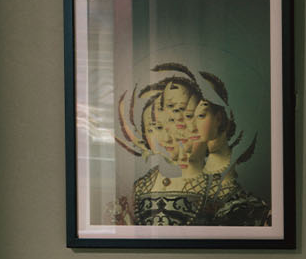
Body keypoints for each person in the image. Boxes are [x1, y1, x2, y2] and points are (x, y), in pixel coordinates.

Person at [113, 64, 271, 228]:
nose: (172, 135)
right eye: (160, 126)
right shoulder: (141, 186)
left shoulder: (220, 188)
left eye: (189, 116)